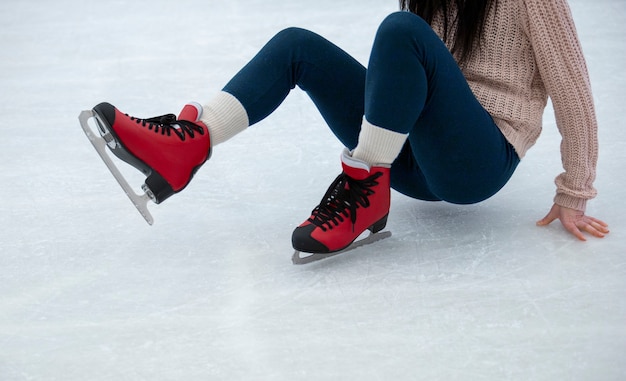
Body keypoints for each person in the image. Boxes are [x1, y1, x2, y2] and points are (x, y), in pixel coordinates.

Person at [88, 0, 609, 254]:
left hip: (475, 162)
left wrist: (575, 189)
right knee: (298, 45)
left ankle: (365, 185)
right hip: (411, 158)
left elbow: (573, 89)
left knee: (402, 31)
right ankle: (190, 146)